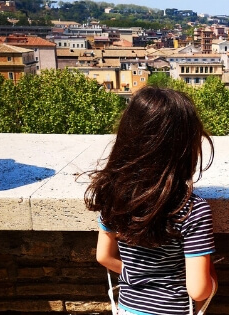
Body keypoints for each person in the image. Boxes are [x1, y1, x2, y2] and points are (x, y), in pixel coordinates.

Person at [85, 86, 217, 315]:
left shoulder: (112, 195)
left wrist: (140, 276)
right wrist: (213, 279)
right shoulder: (192, 210)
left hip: (127, 309)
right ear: (185, 148)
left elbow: (104, 256)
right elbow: (198, 290)